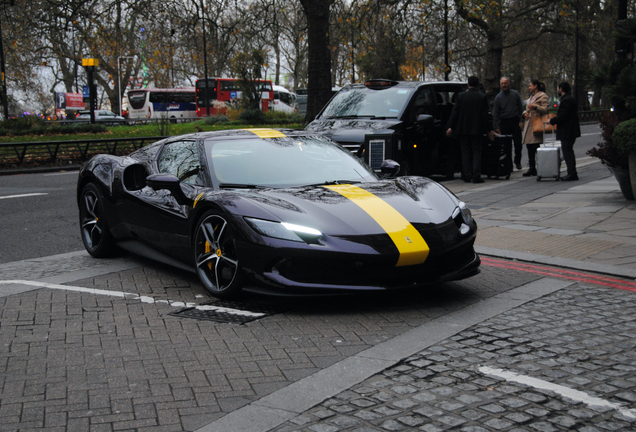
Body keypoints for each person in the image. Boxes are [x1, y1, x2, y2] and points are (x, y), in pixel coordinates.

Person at [446, 76, 495, 184]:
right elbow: (485, 116)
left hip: (463, 128)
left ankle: (466, 175)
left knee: (465, 152)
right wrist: (489, 130)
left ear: (468, 84)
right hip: (477, 129)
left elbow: (455, 113)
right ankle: (476, 175)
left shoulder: (461, 96)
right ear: (477, 85)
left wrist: (451, 127)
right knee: (476, 151)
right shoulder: (482, 97)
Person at [549, 81, 581, 181]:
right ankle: (571, 172)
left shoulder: (566, 100)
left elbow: (563, 115)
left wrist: (552, 120)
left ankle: (572, 173)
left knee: (567, 152)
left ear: (561, 89)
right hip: (571, 130)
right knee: (568, 151)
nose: (558, 90)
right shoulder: (569, 99)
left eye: (558, 88)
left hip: (568, 131)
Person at [493, 77, 524, 170]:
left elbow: (521, 108)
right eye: (502, 83)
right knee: (507, 146)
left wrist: (521, 121)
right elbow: (496, 113)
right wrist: (497, 126)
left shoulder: (515, 94)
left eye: (505, 83)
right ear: (500, 85)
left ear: (509, 83)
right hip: (504, 122)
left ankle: (517, 161)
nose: (504, 85)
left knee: (518, 143)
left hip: (515, 120)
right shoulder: (498, 97)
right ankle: (508, 165)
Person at [520, 79, 549, 177]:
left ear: (535, 86)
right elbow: (526, 109)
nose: (529, 87)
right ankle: (532, 167)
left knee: (535, 146)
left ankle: (539, 166)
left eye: (530, 85)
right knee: (529, 147)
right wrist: (525, 114)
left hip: (537, 123)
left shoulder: (543, 96)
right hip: (529, 123)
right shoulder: (530, 97)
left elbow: (546, 109)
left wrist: (535, 107)